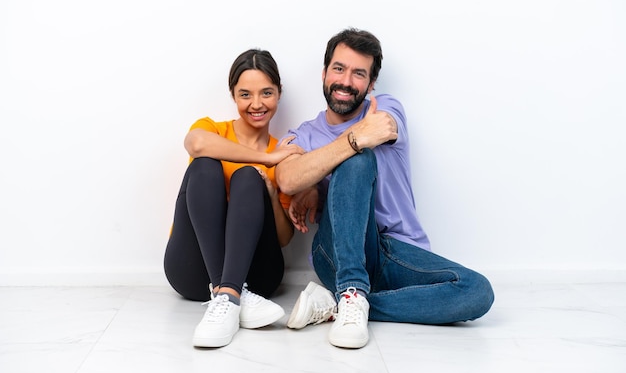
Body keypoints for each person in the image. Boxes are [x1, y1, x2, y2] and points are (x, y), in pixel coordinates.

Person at [276, 28, 495, 349]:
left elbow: (381, 128)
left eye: (358, 74)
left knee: (476, 291)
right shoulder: (304, 133)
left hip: (397, 251)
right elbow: (287, 179)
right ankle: (350, 287)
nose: (346, 81)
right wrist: (344, 151)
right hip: (335, 253)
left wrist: (317, 174)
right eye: (339, 69)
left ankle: (342, 305)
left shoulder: (384, 107)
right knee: (356, 159)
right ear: (324, 73)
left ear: (371, 83)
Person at [164, 48, 303, 348]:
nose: (256, 104)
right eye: (245, 94)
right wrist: (264, 159)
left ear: (279, 93)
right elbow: (195, 143)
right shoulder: (213, 130)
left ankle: (228, 294)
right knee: (204, 164)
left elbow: (283, 238)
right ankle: (226, 291)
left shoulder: (285, 154)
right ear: (233, 95)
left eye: (266, 93)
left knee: (249, 179)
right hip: (191, 270)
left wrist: (268, 190)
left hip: (259, 275)